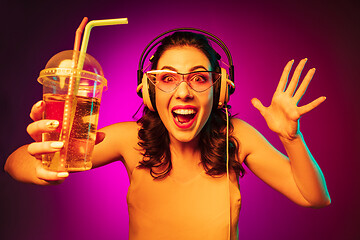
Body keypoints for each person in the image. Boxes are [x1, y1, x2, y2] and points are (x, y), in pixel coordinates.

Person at [4, 30, 331, 240]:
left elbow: (315, 197)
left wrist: (291, 137)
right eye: (168, 78)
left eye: (200, 79)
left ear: (219, 93)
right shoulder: (128, 140)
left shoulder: (237, 137)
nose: (184, 92)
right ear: (148, 91)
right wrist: (44, 163)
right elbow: (13, 161)